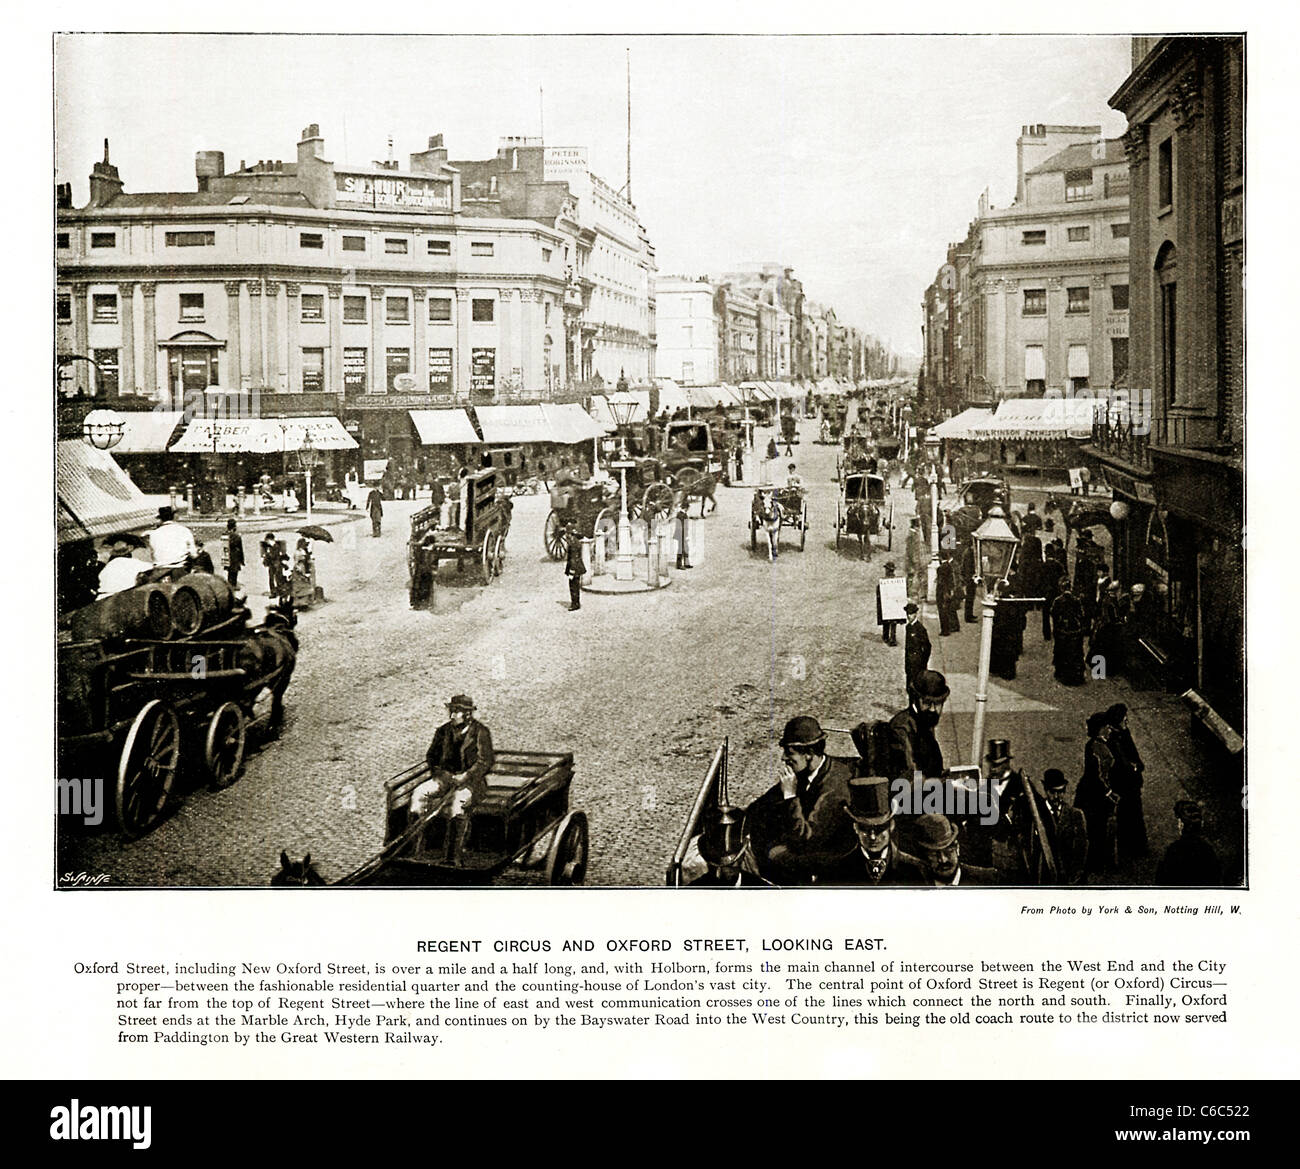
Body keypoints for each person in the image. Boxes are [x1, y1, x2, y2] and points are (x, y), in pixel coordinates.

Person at [745, 715, 855, 884]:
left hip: (825, 858)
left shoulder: (834, 788)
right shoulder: (807, 771)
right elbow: (765, 803)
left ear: (809, 754)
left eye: (790, 753)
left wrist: (790, 797)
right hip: (803, 841)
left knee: (771, 854)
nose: (783, 758)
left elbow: (806, 839)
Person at [411, 695, 496, 863]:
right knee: (418, 795)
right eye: (451, 711)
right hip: (445, 780)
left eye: (456, 712)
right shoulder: (442, 731)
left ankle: (452, 858)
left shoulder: (480, 732)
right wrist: (446, 776)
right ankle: (415, 850)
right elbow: (432, 758)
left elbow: (485, 761)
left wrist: (466, 776)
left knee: (457, 806)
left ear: (467, 714)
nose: (451, 715)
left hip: (471, 783)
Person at [816, 776, 926, 886]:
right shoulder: (835, 871)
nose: (872, 837)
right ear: (856, 828)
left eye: (879, 829)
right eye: (865, 829)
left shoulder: (915, 870)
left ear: (891, 826)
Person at [1075, 712, 1119, 877]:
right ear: (1101, 729)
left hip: (1090, 792)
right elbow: (1097, 776)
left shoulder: (1093, 744)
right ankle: (1094, 864)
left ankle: (1095, 861)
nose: (1110, 730)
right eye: (1108, 727)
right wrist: (1109, 793)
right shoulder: (1098, 749)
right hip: (1095, 796)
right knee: (1096, 829)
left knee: (1095, 829)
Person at [1105, 703, 1149, 862]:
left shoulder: (1123, 733)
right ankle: (1133, 848)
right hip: (1125, 784)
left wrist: (1138, 765)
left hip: (1131, 783)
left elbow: (1134, 755)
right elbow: (1124, 763)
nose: (1127, 722)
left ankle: (1135, 846)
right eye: (1124, 720)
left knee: (1133, 814)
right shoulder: (1114, 739)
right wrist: (1135, 768)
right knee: (1129, 815)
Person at [688, 805, 771, 887]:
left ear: (742, 857)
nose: (727, 870)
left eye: (732, 863)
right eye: (723, 866)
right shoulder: (695, 889)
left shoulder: (762, 889)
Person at [912, 814, 998, 886]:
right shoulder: (913, 884)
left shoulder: (988, 880)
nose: (943, 860)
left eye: (948, 851)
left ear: (957, 848)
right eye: (934, 854)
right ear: (922, 855)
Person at [1155, 800, 1222, 886]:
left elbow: (1162, 881)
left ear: (1181, 825)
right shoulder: (1208, 850)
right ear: (1201, 824)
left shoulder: (1173, 851)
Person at [1042, 768, 1089, 885]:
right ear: (1046, 790)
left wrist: (1074, 876)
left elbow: (1082, 848)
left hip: (1071, 879)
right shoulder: (1038, 816)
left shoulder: (1076, 815)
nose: (1057, 796)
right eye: (1053, 792)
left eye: (1061, 791)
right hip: (1045, 879)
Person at [1051, 577, 1087, 685]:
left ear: (1061, 588)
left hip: (1062, 629)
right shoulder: (1076, 600)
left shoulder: (1057, 600)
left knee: (1062, 651)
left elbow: (1053, 613)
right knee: (1075, 652)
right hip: (1074, 629)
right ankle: (1077, 676)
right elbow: (1081, 614)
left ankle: (1062, 674)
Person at [148, 506, 198, 571]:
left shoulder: (153, 533)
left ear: (161, 519)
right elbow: (193, 554)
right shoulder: (184, 530)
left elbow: (153, 554)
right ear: (174, 517)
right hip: (179, 567)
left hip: (160, 568)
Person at [903, 602, 931, 689]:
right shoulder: (908, 627)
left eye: (911, 614)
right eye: (908, 614)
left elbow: (928, 647)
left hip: (918, 664)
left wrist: (923, 663)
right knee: (909, 687)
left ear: (915, 614)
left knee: (917, 687)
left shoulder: (920, 629)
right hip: (909, 662)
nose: (908, 616)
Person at [877, 560, 903, 645]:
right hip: (894, 603)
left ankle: (886, 636)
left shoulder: (884, 581)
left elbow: (879, 590)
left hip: (887, 602)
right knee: (893, 621)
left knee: (886, 618)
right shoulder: (897, 581)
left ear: (887, 570)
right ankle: (893, 638)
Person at [935, 553, 961, 637]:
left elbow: (941, 582)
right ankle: (953, 626)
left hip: (942, 593)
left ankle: (945, 630)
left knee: (942, 611)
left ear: (940, 558)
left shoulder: (940, 568)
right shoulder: (949, 566)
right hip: (948, 591)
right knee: (950, 609)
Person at [564, 522, 586, 611]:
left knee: (573, 586)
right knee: (575, 585)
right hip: (577, 567)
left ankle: (575, 604)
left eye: (567, 533)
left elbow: (573, 558)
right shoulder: (575, 541)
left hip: (575, 568)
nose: (566, 535)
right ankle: (576, 602)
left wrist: (571, 571)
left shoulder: (573, 543)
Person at [905, 517, 925, 602]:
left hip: (915, 558)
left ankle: (918, 593)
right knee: (912, 576)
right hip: (913, 559)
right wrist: (914, 559)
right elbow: (911, 548)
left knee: (915, 575)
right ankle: (910, 593)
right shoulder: (912, 535)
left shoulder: (914, 533)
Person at [222, 519, 245, 590]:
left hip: (227, 555)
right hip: (235, 556)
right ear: (234, 527)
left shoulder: (224, 535)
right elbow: (240, 548)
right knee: (234, 573)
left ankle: (230, 585)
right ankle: (233, 586)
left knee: (229, 572)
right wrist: (242, 560)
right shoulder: (237, 536)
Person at [960, 540, 977, 623]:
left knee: (970, 597)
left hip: (969, 578)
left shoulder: (968, 552)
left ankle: (970, 614)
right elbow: (968, 568)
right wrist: (971, 577)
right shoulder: (969, 554)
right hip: (970, 579)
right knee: (970, 597)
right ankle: (968, 616)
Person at [675, 503, 692, 570]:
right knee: (681, 550)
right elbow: (682, 527)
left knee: (686, 549)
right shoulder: (681, 515)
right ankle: (679, 565)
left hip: (683, 534)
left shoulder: (682, 514)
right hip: (681, 535)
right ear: (686, 508)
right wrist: (685, 536)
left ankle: (686, 563)